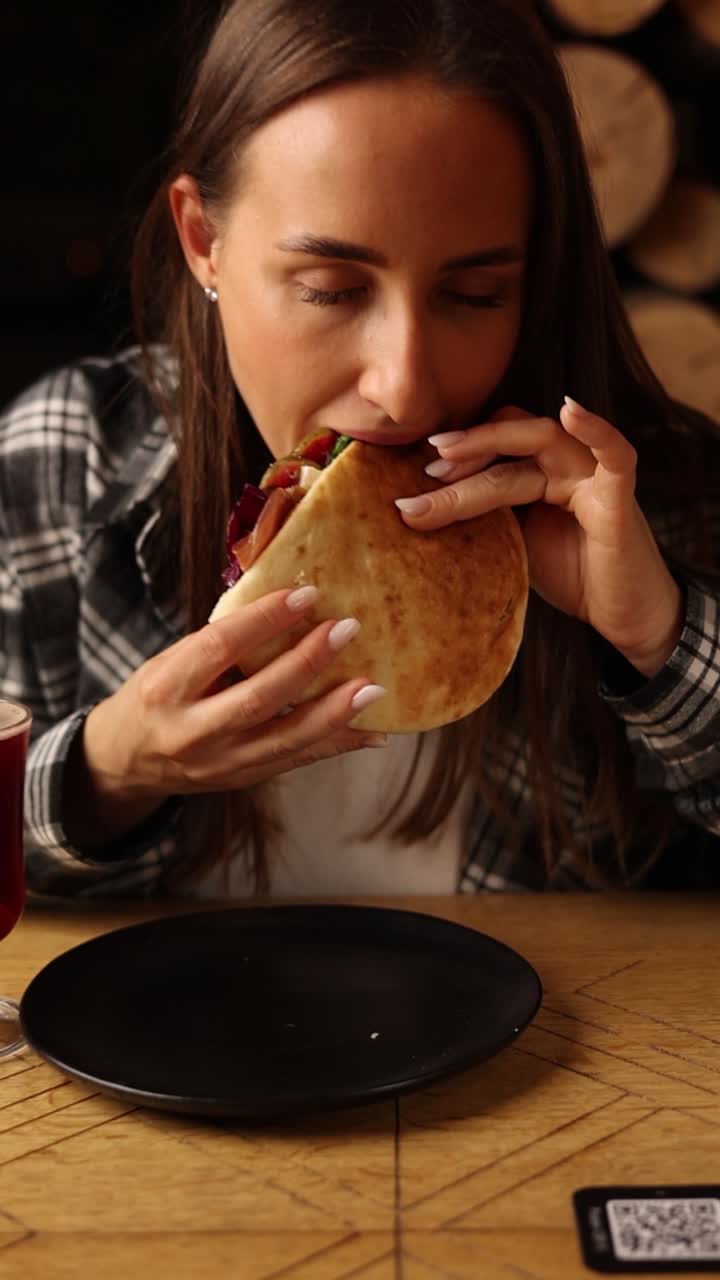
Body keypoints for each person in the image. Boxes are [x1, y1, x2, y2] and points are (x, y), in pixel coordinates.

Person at [2, 0, 719, 902]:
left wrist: (660, 640)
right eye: (333, 290)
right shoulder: (61, 467)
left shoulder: (650, 499)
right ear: (204, 242)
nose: (405, 389)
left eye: (474, 295)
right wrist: (108, 770)